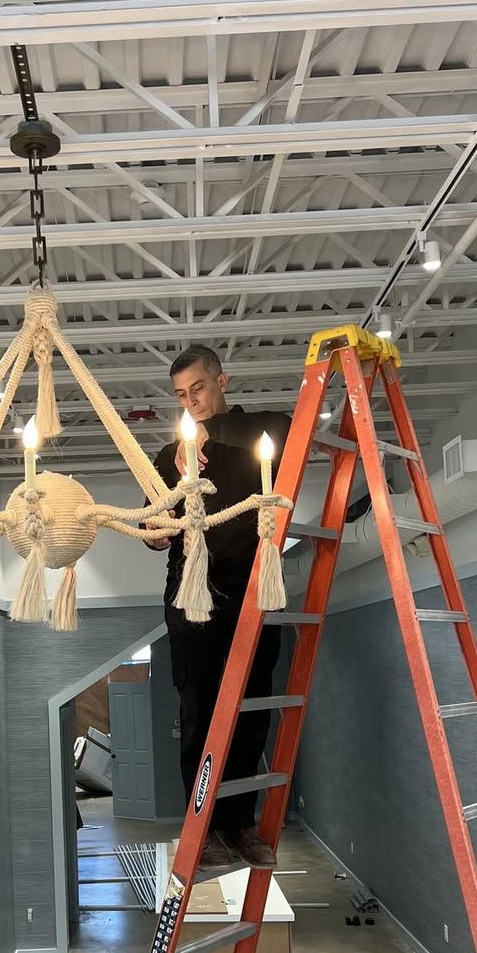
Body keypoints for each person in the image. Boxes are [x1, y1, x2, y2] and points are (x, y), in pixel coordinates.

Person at [148, 345, 292, 869]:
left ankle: (239, 825)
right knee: (199, 712)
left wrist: (208, 436)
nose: (191, 402)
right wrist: (155, 534)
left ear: (222, 382)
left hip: (254, 591)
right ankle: (204, 826)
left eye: (199, 390)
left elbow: (287, 422)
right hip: (192, 597)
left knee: (251, 709)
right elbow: (151, 521)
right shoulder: (170, 457)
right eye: (182, 397)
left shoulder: (255, 437)